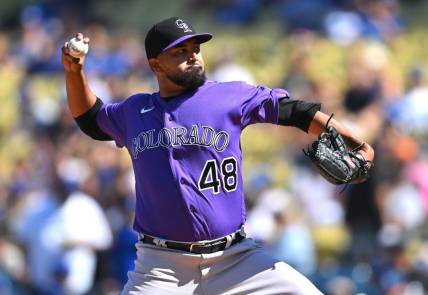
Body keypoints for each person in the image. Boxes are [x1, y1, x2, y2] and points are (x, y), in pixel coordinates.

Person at [61, 17, 374, 295]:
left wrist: (351, 137)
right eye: (179, 52)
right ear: (156, 65)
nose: (193, 56)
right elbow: (90, 118)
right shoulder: (135, 110)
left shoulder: (228, 96)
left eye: (195, 48)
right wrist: (74, 70)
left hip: (236, 259)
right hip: (161, 267)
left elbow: (293, 110)